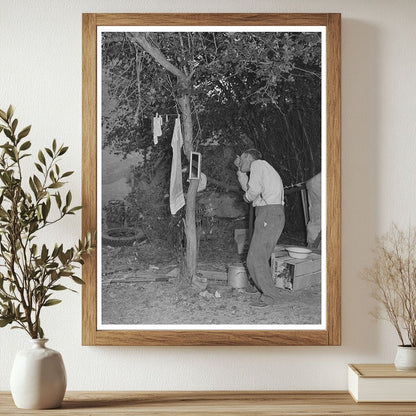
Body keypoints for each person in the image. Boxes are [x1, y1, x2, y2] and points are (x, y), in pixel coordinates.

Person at [234, 149, 285, 307]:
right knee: (259, 257)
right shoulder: (263, 168)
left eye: (241, 159)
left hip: (269, 214)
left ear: (249, 157)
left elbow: (252, 193)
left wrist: (246, 198)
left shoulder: (257, 165)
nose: (239, 161)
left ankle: (269, 296)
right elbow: (250, 189)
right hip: (269, 214)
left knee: (255, 258)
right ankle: (261, 287)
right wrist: (240, 171)